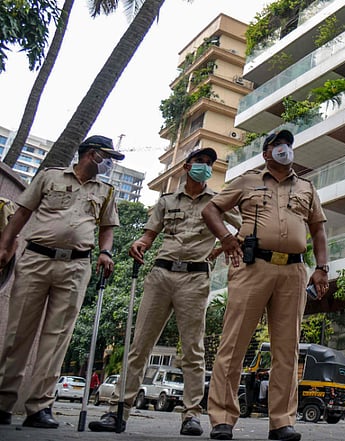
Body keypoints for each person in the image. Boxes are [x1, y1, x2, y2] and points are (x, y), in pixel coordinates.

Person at [89, 147, 240, 436]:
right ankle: (118, 411)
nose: (205, 167)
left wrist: (222, 246)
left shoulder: (218, 202)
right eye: (200, 162)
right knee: (140, 345)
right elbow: (149, 235)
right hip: (161, 274)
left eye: (209, 164)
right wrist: (139, 244)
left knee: (193, 349)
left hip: (195, 278)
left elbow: (244, 228)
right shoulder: (166, 200)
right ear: (187, 166)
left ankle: (191, 415)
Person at [201, 129, 329, 441]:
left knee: (287, 349)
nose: (285, 149)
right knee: (234, 343)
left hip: (294, 271)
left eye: (288, 144)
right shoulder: (247, 181)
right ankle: (222, 418)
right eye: (277, 145)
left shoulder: (307, 187)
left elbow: (318, 230)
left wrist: (322, 267)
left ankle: (282, 422)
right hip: (252, 266)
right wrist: (227, 238)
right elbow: (211, 209)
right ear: (266, 153)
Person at [0, 135, 120, 428]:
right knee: (18, 334)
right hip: (36, 260)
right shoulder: (49, 177)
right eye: (107, 158)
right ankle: (3, 402)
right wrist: (5, 245)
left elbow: (107, 228)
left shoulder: (106, 191)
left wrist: (105, 252)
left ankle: (38, 407)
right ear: (92, 154)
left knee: (57, 338)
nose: (109, 165)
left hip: (76, 266)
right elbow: (22, 213)